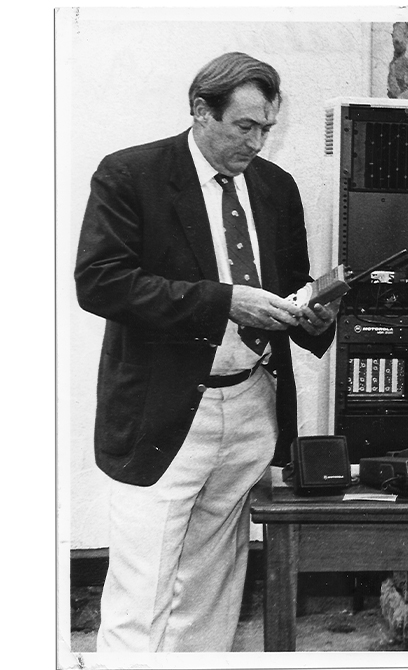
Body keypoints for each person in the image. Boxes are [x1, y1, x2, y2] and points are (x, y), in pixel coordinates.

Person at [74, 52, 339, 652]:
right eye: (246, 126)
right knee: (142, 593)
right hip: (163, 411)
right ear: (200, 111)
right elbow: (101, 283)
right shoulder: (130, 175)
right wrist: (223, 302)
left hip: (251, 403)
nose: (258, 140)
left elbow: (287, 286)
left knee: (214, 587)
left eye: (267, 127)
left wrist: (313, 315)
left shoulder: (275, 187)